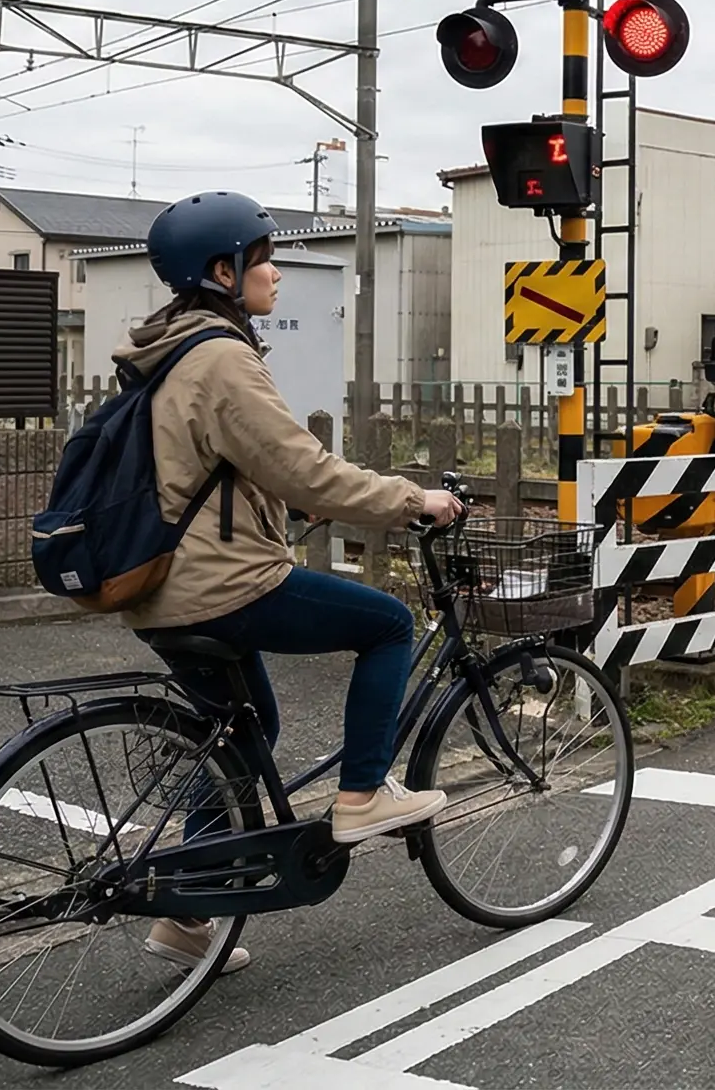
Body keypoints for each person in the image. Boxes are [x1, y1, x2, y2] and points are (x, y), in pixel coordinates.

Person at [117, 191, 465, 974]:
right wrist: (416, 499)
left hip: (159, 587)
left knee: (239, 737)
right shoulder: (222, 356)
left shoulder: (166, 348)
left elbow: (221, 474)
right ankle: (364, 795)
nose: (273, 272)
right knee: (386, 624)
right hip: (225, 587)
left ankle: (188, 915)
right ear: (222, 270)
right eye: (262, 258)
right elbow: (307, 471)